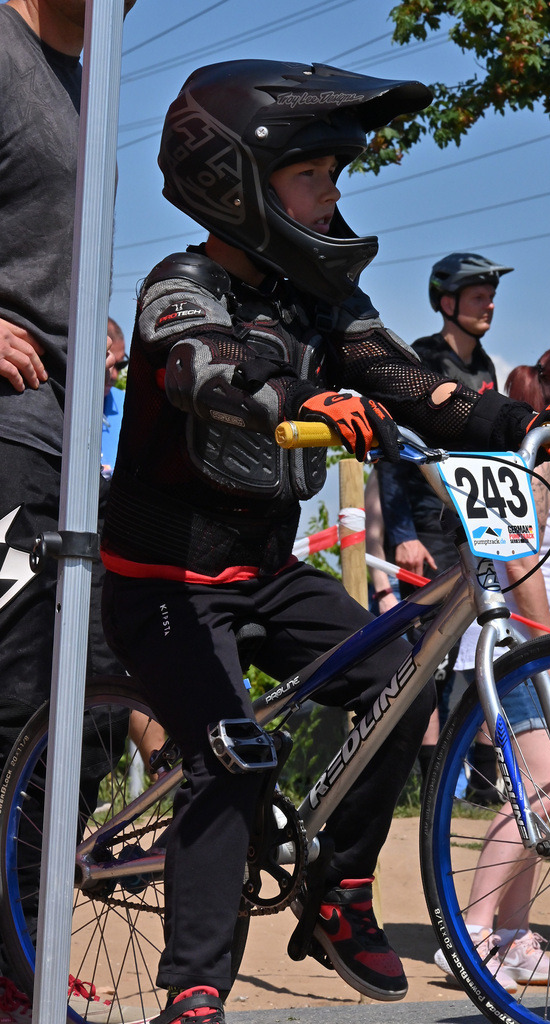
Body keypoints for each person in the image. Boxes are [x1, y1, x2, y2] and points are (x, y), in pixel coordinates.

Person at [99, 59, 550, 1024]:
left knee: (397, 677)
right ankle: (195, 984)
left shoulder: (319, 302)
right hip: (163, 579)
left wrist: (538, 422)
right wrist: (295, 397)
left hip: (266, 572)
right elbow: (197, 367)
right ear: (239, 183)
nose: (333, 195)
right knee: (233, 753)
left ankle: (339, 884)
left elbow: (415, 387)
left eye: (336, 176)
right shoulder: (181, 282)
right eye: (313, 175)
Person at [0, 0, 138, 1006]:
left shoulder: (92, 71)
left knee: (88, 706)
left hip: (63, 424)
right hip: (5, 428)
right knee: (15, 703)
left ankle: (24, 949)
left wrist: (86, 315)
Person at [434, 344, 550, 991]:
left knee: (536, 795)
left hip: (542, 643)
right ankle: (473, 934)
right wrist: (545, 653)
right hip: (517, 649)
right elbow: (517, 565)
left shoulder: (548, 471)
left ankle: (513, 934)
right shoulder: (518, 466)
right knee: (545, 788)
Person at [376, 253, 512, 793]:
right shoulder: (422, 358)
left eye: (491, 296)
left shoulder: (486, 368)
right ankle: (424, 780)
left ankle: (482, 777)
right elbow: (392, 454)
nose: (490, 305)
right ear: (448, 302)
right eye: (479, 296)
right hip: (426, 524)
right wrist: (402, 535)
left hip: (475, 522)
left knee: (487, 639)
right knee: (426, 651)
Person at [101, 316, 129, 478]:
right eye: (110, 364)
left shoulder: (128, 406)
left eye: (120, 365)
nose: (115, 375)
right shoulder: (60, 404)